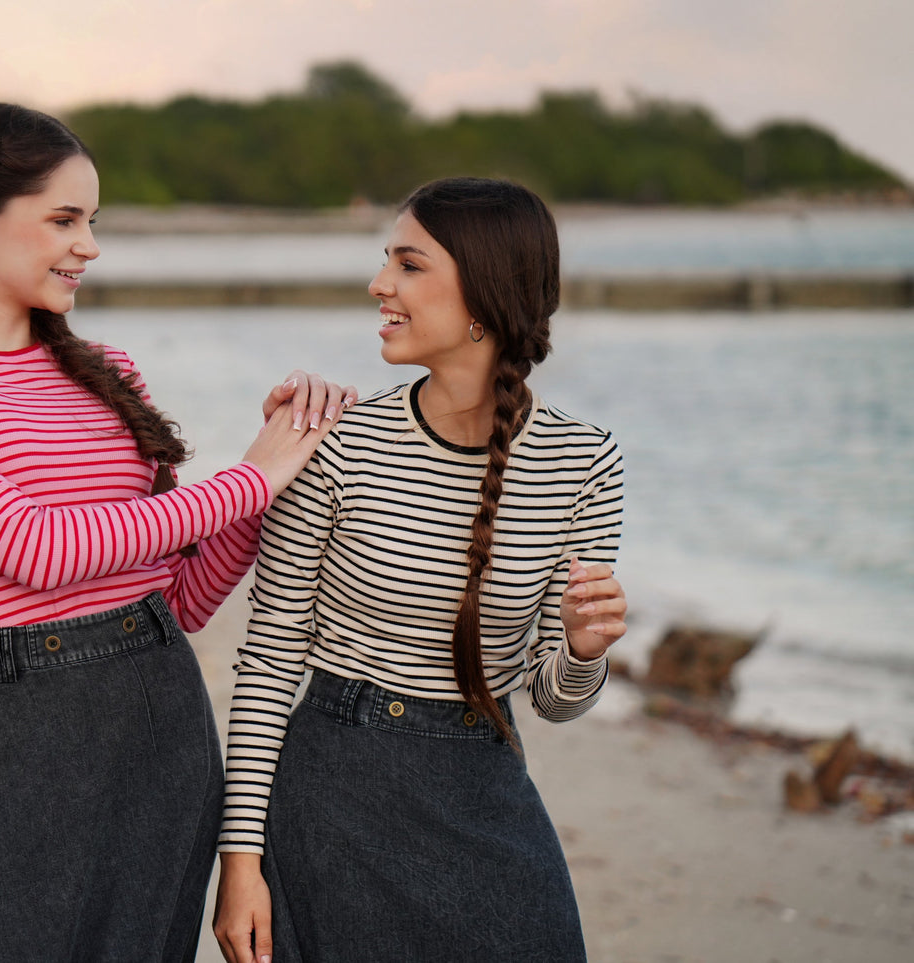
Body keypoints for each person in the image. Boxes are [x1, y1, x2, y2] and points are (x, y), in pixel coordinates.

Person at [0, 102, 355, 962]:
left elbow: (179, 600)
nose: (89, 245)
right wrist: (246, 480)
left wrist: (277, 469)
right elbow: (28, 549)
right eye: (64, 219)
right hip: (19, 722)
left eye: (93, 222)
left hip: (161, 716)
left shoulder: (111, 372)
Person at [212, 177, 627, 963]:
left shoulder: (583, 459)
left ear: (482, 292)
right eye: (385, 262)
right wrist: (239, 865)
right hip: (332, 793)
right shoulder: (336, 441)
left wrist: (582, 650)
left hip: (485, 786)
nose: (379, 285)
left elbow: (550, 700)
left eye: (408, 264)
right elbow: (268, 660)